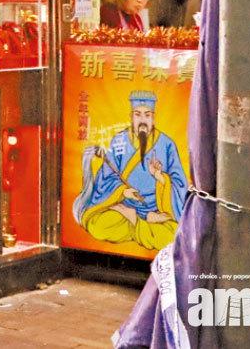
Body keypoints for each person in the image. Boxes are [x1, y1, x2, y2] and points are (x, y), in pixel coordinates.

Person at [72, 90, 189, 251]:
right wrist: (123, 192)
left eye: (147, 115)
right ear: (131, 117)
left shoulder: (167, 144)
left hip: (157, 210)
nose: (142, 120)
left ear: (153, 118)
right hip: (125, 207)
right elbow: (106, 178)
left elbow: (180, 184)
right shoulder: (119, 141)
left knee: (172, 236)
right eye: (138, 115)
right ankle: (140, 222)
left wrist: (161, 177)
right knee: (97, 226)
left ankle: (138, 220)